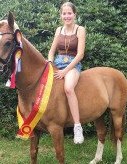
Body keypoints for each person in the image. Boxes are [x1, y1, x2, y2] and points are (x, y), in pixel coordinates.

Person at [48, 1, 85, 144]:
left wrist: (65, 71)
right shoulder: (58, 30)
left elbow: (80, 54)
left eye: (69, 13)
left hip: (72, 65)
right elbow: (51, 52)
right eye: (64, 13)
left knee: (68, 88)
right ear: (61, 15)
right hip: (57, 63)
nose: (67, 16)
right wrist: (51, 64)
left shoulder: (79, 30)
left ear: (74, 14)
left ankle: (77, 126)